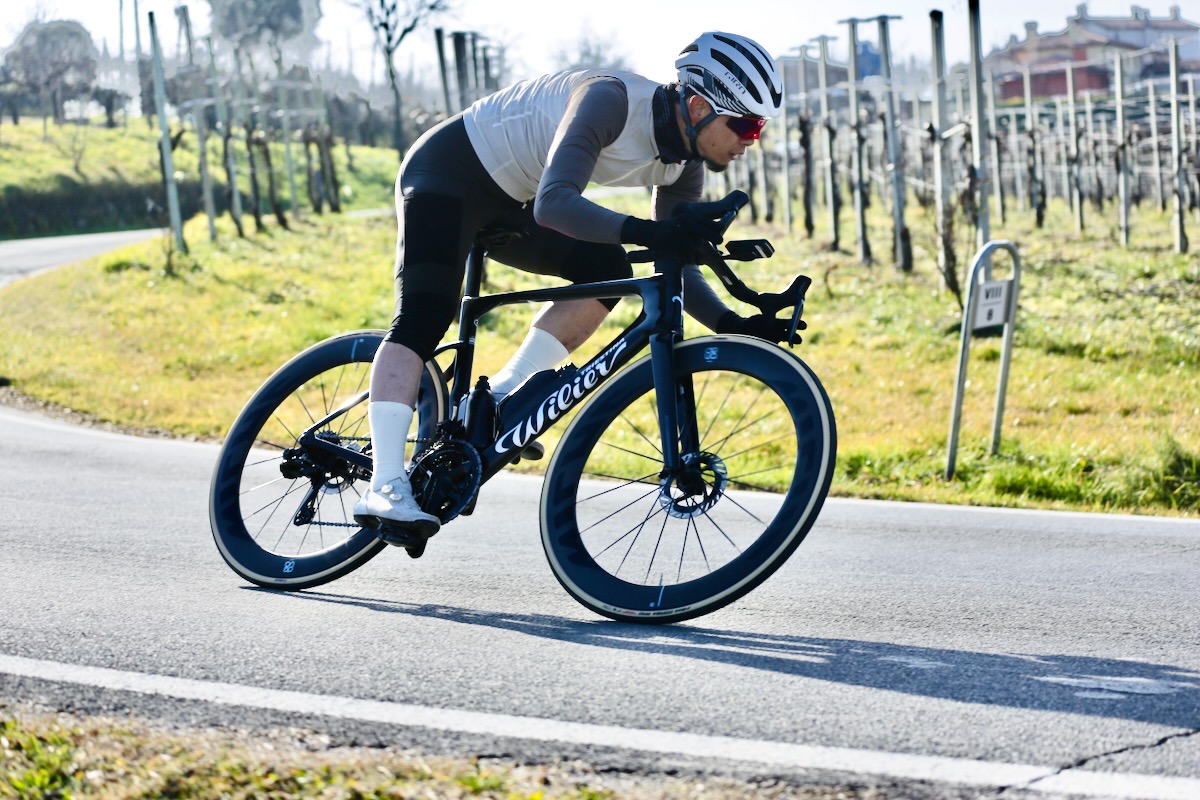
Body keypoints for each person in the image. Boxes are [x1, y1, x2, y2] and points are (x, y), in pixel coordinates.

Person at [354, 31, 793, 541]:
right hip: (449, 173)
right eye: (745, 124)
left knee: (608, 270)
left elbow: (674, 259)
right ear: (698, 106)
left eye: (760, 128)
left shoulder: (684, 165)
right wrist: (651, 232)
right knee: (425, 317)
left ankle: (502, 397)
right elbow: (556, 204)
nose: (751, 140)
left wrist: (733, 322)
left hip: (514, 200)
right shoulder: (609, 100)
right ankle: (385, 484)